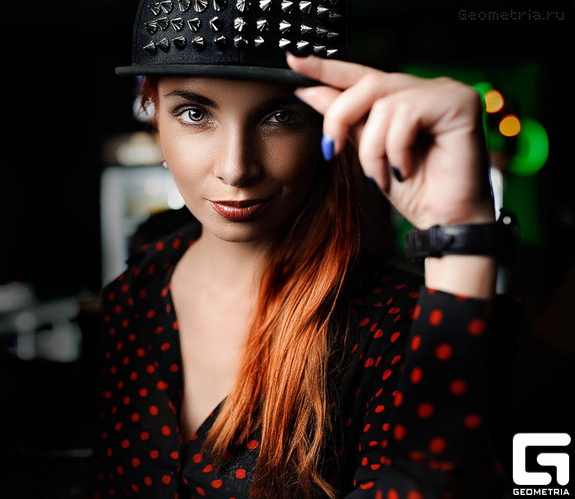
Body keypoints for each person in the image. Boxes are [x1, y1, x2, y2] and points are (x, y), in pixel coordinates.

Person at [88, 0, 518, 497]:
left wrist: (461, 232)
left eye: (280, 116)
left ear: (326, 124)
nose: (236, 168)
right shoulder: (131, 298)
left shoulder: (395, 326)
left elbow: (433, 479)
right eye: (194, 113)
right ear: (155, 119)